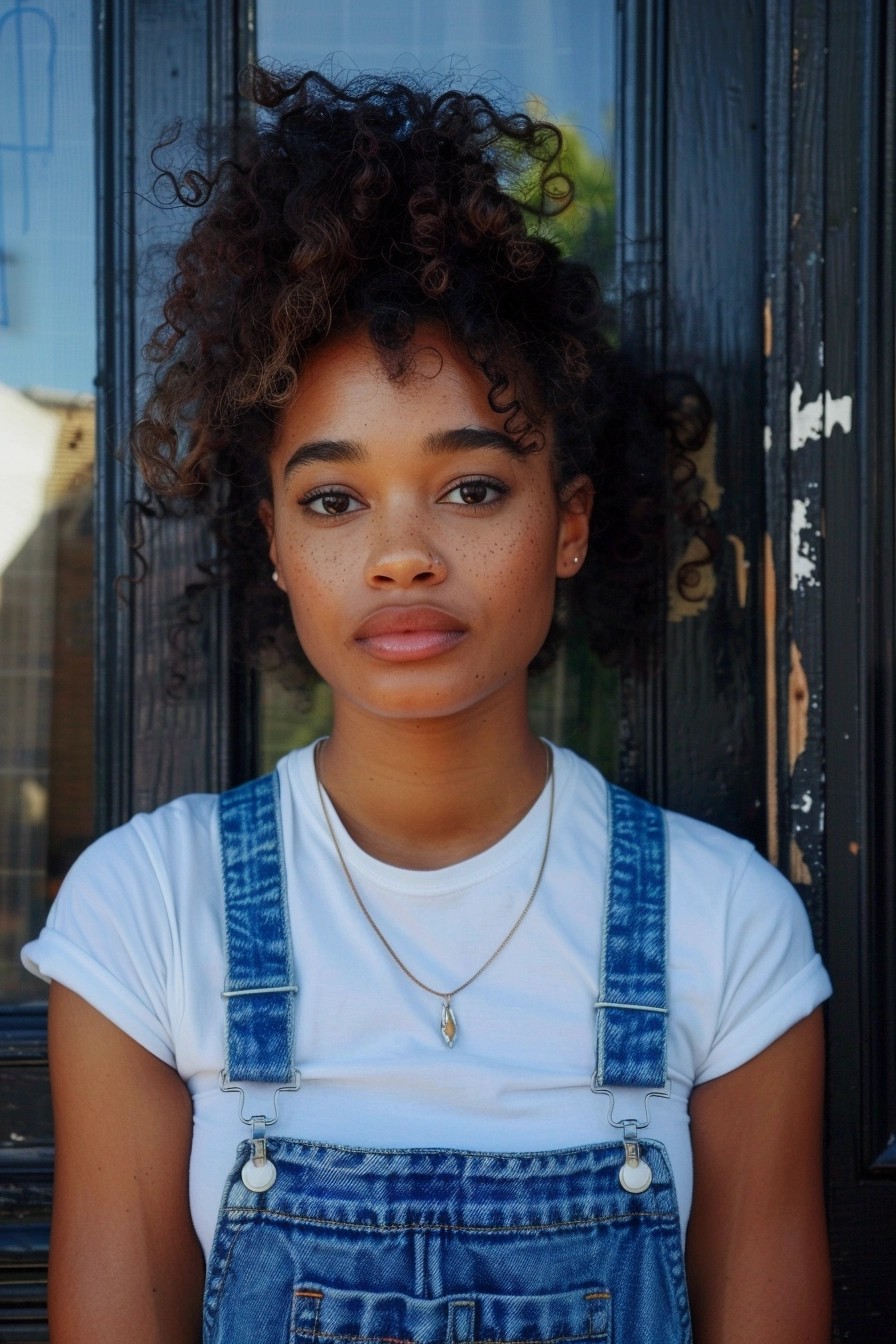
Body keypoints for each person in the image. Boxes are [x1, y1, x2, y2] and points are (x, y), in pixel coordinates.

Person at [23, 68, 832, 1343]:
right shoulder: (147, 916)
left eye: (469, 489)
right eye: (334, 502)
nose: (400, 555)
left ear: (566, 525)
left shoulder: (724, 930)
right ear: (274, 545)